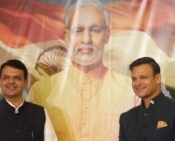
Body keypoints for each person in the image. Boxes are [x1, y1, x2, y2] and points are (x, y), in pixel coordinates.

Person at [27, 0, 137, 141]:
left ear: (107, 36)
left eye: (95, 30)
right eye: (78, 30)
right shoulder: (41, 92)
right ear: (66, 37)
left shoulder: (131, 91)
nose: (86, 39)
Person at [0, 59, 57, 141]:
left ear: (26, 83)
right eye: (6, 78)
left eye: (17, 78)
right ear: (0, 82)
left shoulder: (40, 113)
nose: (11, 81)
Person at [119, 57, 175, 141]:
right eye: (134, 79)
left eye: (143, 77)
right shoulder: (126, 118)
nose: (137, 83)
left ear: (157, 78)